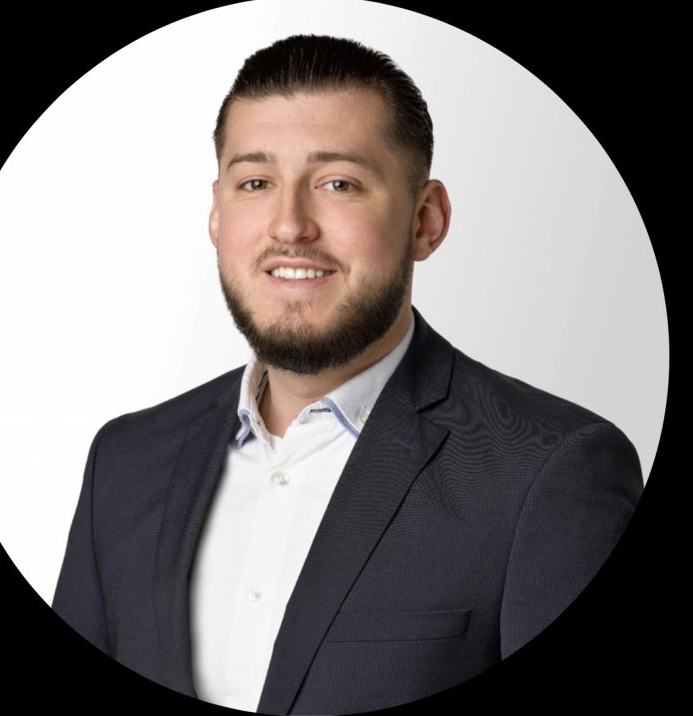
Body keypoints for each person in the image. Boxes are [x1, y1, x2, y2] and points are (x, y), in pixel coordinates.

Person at [52, 34, 644, 714]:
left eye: (339, 183)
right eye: (255, 183)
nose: (289, 226)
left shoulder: (551, 474)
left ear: (425, 221)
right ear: (216, 214)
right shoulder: (125, 463)